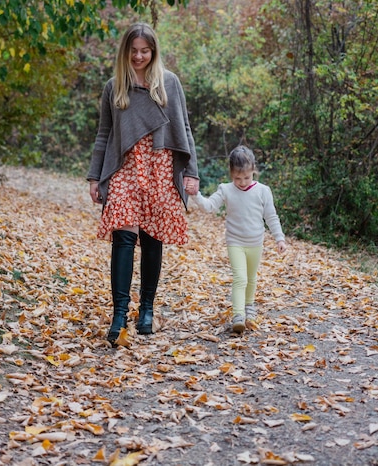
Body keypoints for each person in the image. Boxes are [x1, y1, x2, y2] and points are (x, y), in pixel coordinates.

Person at [87, 22, 200, 346]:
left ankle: (147, 309)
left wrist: (190, 171)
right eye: (133, 51)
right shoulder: (115, 86)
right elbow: (104, 133)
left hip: (160, 165)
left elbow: (184, 128)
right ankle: (119, 314)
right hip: (125, 166)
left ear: (154, 51)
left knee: (152, 238)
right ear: (126, 52)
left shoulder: (168, 83)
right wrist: (96, 176)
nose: (139, 56)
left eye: (145, 51)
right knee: (123, 233)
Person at [186, 145, 286, 334]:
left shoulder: (263, 191)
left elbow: (271, 216)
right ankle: (238, 315)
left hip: (256, 242)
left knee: (251, 278)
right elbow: (209, 207)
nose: (242, 182)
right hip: (235, 242)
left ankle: (249, 307)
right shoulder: (226, 189)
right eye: (237, 178)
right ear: (231, 173)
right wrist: (195, 195)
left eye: (247, 177)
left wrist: (279, 238)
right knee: (240, 278)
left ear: (253, 171)